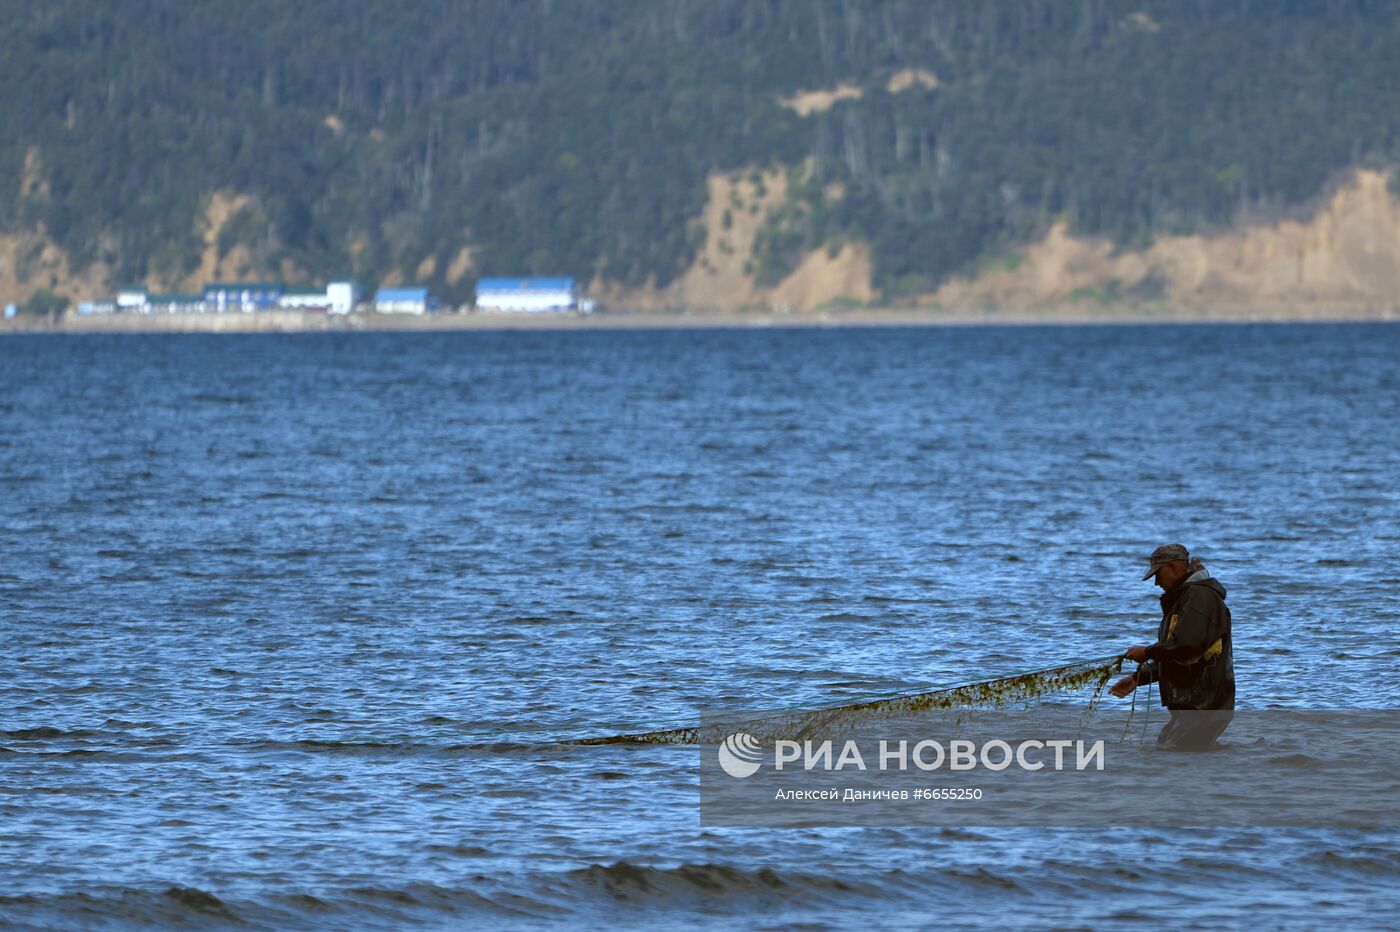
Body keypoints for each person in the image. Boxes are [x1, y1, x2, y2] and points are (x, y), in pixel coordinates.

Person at [1109, 543, 1235, 749]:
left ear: (1175, 567)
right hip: (1193, 707)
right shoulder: (1187, 598)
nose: (1156, 583)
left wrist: (1148, 652)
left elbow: (1187, 645)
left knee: (1175, 758)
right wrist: (1139, 678)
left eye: (1158, 574)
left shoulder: (1200, 597)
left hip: (1202, 707)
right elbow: (1182, 656)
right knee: (1168, 754)